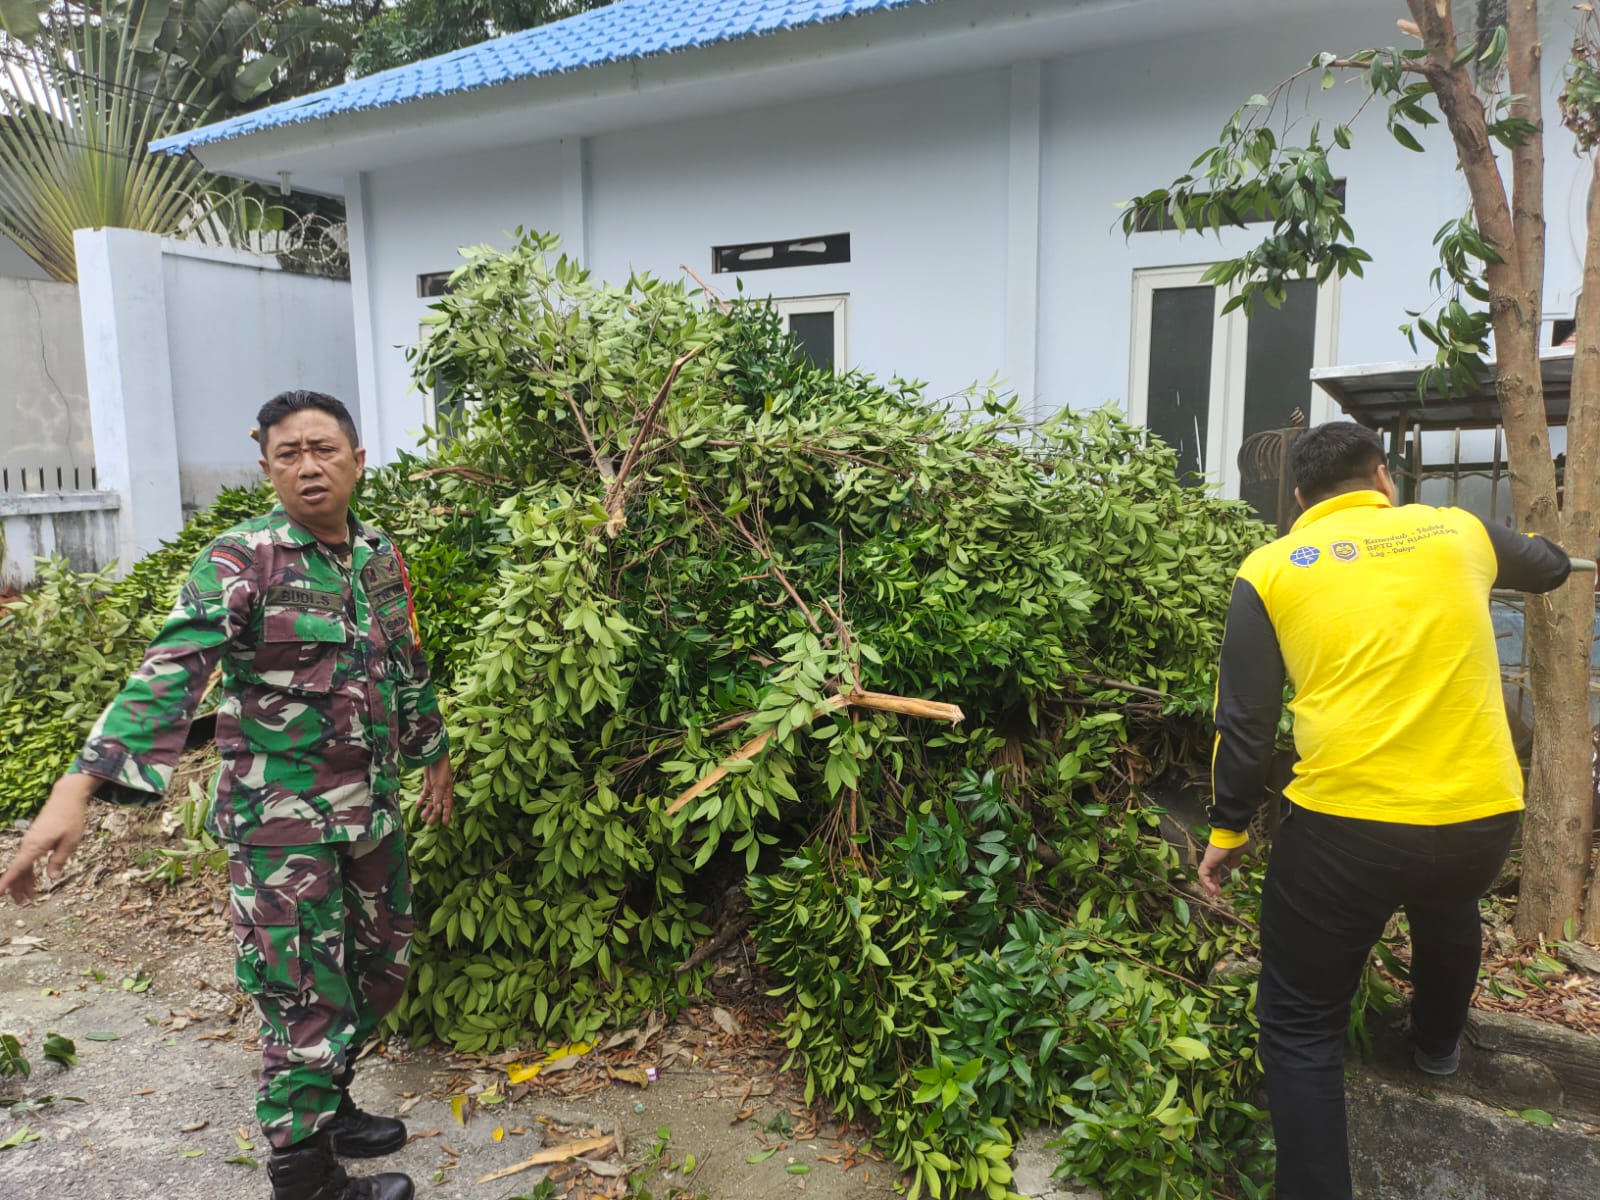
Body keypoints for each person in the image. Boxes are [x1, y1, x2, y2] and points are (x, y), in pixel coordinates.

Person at [0, 390, 453, 1200]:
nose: (308, 467)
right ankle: (305, 1176)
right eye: (289, 454)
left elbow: (404, 664)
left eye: (323, 449)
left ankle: (331, 1101)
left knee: (379, 969)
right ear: (267, 468)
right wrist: (79, 786)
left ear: (357, 461)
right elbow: (171, 670)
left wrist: (435, 757)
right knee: (303, 993)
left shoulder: (379, 554)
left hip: (371, 811)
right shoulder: (243, 559)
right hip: (281, 826)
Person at [1198, 421, 1571, 1200]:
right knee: (1448, 901)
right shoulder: (1456, 529)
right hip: (1479, 817)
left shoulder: (1270, 568)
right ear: (1382, 478)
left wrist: (1228, 828)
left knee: (1299, 1027)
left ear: (1299, 497)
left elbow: (1245, 722)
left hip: (1346, 831)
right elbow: (1550, 566)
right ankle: (1436, 1049)